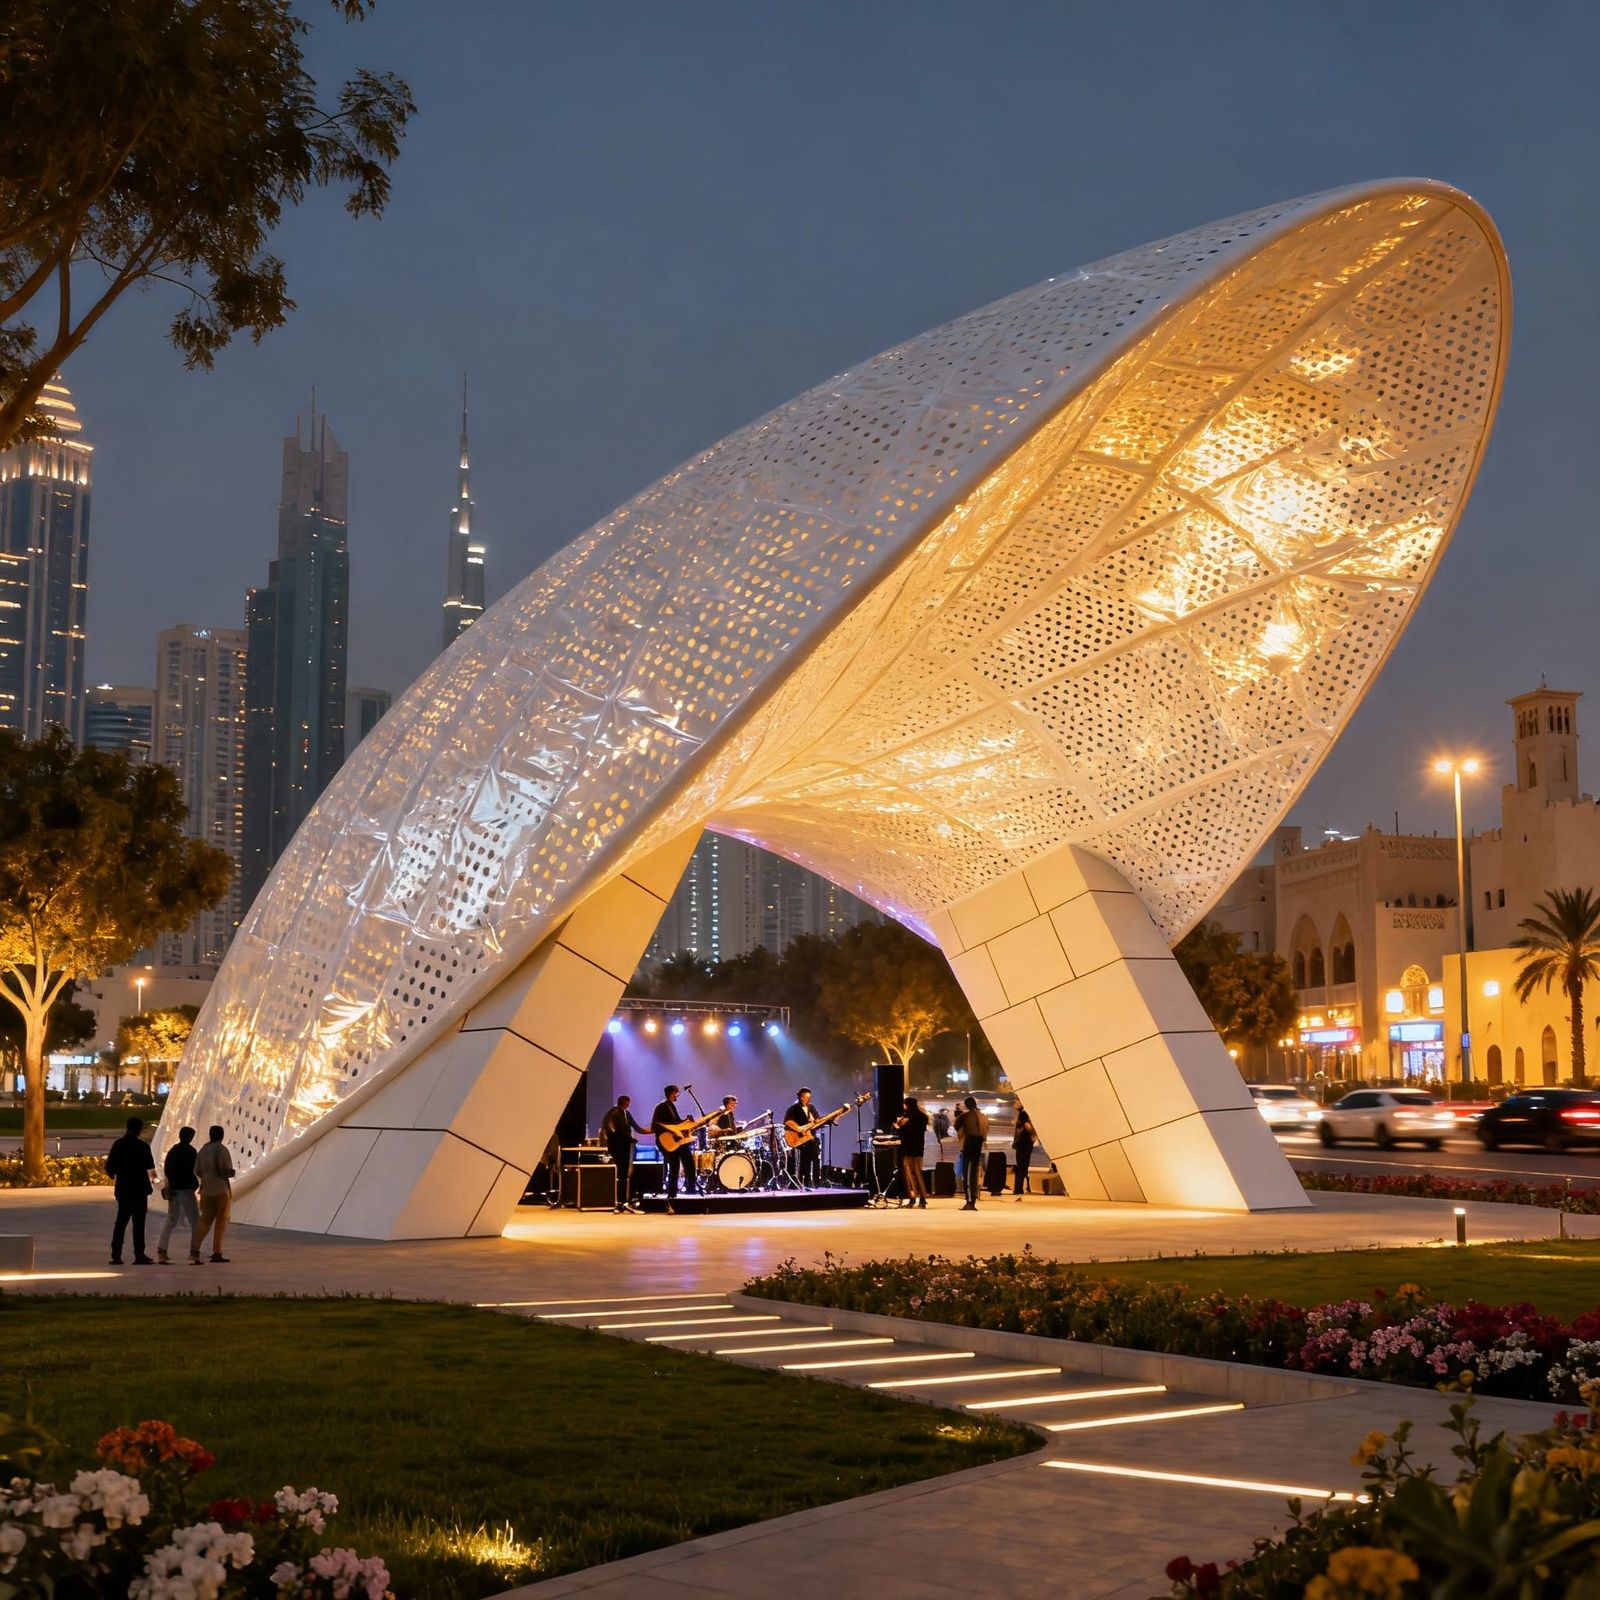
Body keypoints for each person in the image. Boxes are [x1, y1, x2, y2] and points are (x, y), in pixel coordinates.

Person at [106, 1115, 156, 1265]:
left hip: (124, 1189)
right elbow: (149, 1166)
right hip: (140, 1188)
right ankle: (139, 1254)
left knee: (121, 1223)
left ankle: (116, 1255)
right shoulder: (143, 1146)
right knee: (139, 1224)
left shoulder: (118, 1144)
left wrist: (114, 1174)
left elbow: (110, 1166)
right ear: (139, 1129)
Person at [190, 1125, 235, 1263]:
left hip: (206, 1191)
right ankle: (217, 1252)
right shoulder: (222, 1150)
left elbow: (197, 1171)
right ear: (221, 1135)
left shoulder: (202, 1151)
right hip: (221, 1190)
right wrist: (231, 1173)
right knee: (220, 1222)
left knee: (204, 1221)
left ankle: (195, 1249)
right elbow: (226, 1170)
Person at [156, 1126, 200, 1262]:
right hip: (186, 1189)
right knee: (195, 1221)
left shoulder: (173, 1151)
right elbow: (195, 1170)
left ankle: (162, 1250)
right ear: (190, 1137)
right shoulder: (191, 1151)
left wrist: (168, 1186)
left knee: (171, 1218)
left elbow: (167, 1171)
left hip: (174, 1189)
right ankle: (194, 1252)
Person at [650, 1085, 696, 1213]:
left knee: (689, 1162)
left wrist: (687, 1121)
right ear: (671, 1093)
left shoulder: (671, 1106)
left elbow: (676, 1123)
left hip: (677, 1140)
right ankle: (672, 1197)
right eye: (677, 1093)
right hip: (667, 1141)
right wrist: (674, 1130)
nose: (678, 1095)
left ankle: (691, 1188)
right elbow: (656, 1125)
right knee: (675, 1167)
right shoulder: (662, 1106)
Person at [599, 1094, 645, 1213]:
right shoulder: (615, 1112)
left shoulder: (626, 1113)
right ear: (624, 1103)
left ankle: (623, 1201)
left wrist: (650, 1131)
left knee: (624, 1174)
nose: (627, 1105)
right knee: (621, 1174)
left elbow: (635, 1127)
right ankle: (620, 1202)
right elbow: (618, 1131)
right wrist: (631, 1139)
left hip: (625, 1146)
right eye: (626, 1103)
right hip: (618, 1147)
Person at [953, 1095, 990, 1210]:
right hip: (979, 1145)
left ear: (967, 1105)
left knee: (966, 1173)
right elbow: (985, 1132)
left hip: (968, 1144)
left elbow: (956, 1126)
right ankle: (973, 1198)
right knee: (974, 1172)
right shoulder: (984, 1117)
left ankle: (969, 1201)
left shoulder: (966, 1116)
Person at [894, 1095, 929, 1208]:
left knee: (910, 1174)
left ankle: (913, 1198)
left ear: (906, 1105)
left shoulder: (908, 1116)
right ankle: (922, 1198)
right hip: (919, 1148)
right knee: (918, 1173)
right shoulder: (923, 1116)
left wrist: (897, 1126)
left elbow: (904, 1131)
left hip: (908, 1148)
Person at [784, 1087, 821, 1188]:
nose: (807, 1100)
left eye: (809, 1098)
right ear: (800, 1097)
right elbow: (787, 1122)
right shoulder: (793, 1108)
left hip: (811, 1138)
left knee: (812, 1157)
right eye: (805, 1097)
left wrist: (819, 1121)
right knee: (803, 1160)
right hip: (799, 1139)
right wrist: (798, 1129)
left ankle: (810, 1182)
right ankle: (800, 1181)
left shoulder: (811, 1108)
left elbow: (818, 1120)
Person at [1012, 1103, 1037, 1199]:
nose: (1014, 1103)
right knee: (1022, 1166)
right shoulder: (1024, 1113)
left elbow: (1028, 1128)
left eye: (1016, 1101)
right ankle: (1020, 1187)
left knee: (1021, 1166)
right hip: (1026, 1144)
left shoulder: (1023, 1114)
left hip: (1023, 1144)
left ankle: (1018, 1188)